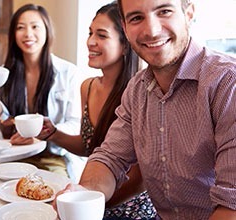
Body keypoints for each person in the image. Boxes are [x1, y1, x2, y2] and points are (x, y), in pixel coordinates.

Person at [56, 0, 236, 219]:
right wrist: (83, 194)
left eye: (164, 11)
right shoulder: (137, 89)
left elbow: (232, 203)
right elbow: (109, 158)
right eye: (136, 18)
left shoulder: (227, 83)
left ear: (188, 13)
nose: (151, 30)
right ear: (125, 28)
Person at [37, 3, 156, 219]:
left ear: (126, 44)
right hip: (93, 194)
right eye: (90, 33)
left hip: (130, 206)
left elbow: (140, 178)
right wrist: (53, 134)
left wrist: (93, 204)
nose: (90, 41)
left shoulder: (140, 93)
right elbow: (89, 146)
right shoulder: (88, 87)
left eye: (101, 35)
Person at [0, 4, 82, 179]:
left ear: (47, 30)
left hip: (51, 158)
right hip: (14, 156)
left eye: (35, 26)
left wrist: (41, 137)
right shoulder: (6, 72)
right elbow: (2, 119)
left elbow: (75, 125)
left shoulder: (68, 72)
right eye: (20, 27)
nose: (28, 34)